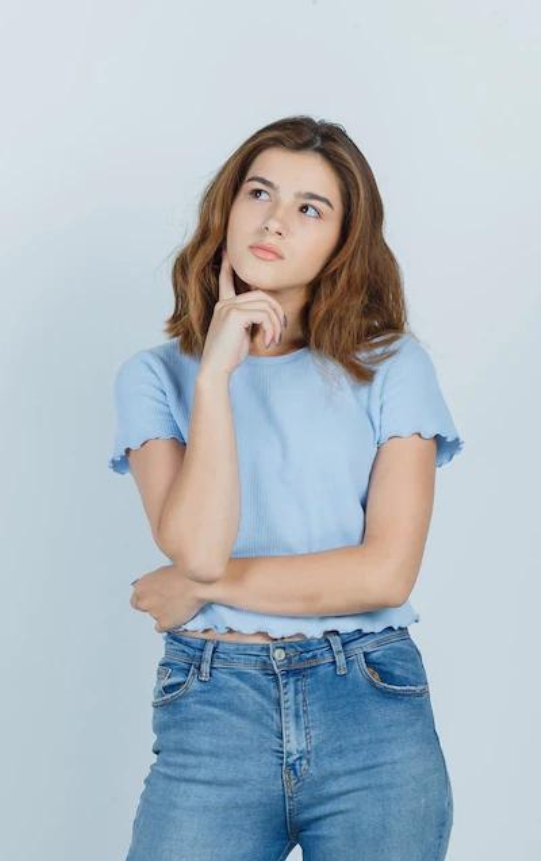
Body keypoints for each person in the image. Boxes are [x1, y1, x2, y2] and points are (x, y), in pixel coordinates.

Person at [109, 115, 463, 860]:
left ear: (344, 239)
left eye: (310, 207)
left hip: (368, 704)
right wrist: (214, 378)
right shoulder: (155, 377)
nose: (274, 219)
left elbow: (385, 572)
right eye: (259, 192)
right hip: (214, 708)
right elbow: (196, 546)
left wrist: (202, 586)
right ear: (226, 209)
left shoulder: (393, 367)